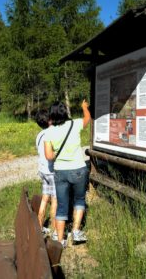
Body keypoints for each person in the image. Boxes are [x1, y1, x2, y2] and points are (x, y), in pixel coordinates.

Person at [44, 100, 91, 248]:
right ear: (65, 112)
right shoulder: (74, 124)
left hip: (60, 171)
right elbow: (87, 120)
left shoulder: (49, 132)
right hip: (78, 169)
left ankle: (60, 240)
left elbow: (49, 156)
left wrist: (58, 152)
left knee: (62, 205)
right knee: (79, 200)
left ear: (51, 115)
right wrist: (84, 107)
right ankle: (76, 232)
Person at [35, 109, 57, 240]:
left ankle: (39, 227)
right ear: (49, 120)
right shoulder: (51, 134)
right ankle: (54, 231)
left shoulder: (39, 135)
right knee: (55, 201)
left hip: (42, 171)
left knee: (44, 199)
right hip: (52, 172)